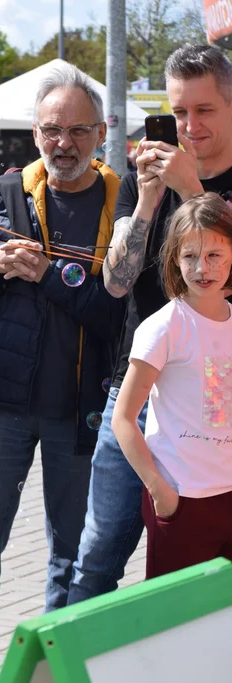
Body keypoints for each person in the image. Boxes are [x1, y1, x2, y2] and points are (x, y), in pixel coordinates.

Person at [0, 64, 124, 683]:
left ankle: (50, 661)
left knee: (74, 549)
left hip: (82, 409)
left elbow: (114, 315)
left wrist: (45, 276)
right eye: (50, 130)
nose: (62, 142)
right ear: (34, 133)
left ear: (99, 133)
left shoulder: (122, 203)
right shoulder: (2, 194)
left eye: (75, 130)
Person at [69, 45, 232, 605]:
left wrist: (194, 193)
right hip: (135, 397)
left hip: (212, 405)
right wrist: (145, 202)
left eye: (204, 110)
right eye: (179, 112)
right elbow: (114, 283)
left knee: (204, 574)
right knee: (96, 560)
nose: (189, 126)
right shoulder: (148, 183)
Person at [111, 194, 232, 579]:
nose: (202, 268)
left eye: (214, 255)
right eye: (189, 256)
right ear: (174, 261)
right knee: (178, 624)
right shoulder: (164, 327)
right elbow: (124, 420)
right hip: (183, 502)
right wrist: (161, 492)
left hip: (228, 496)